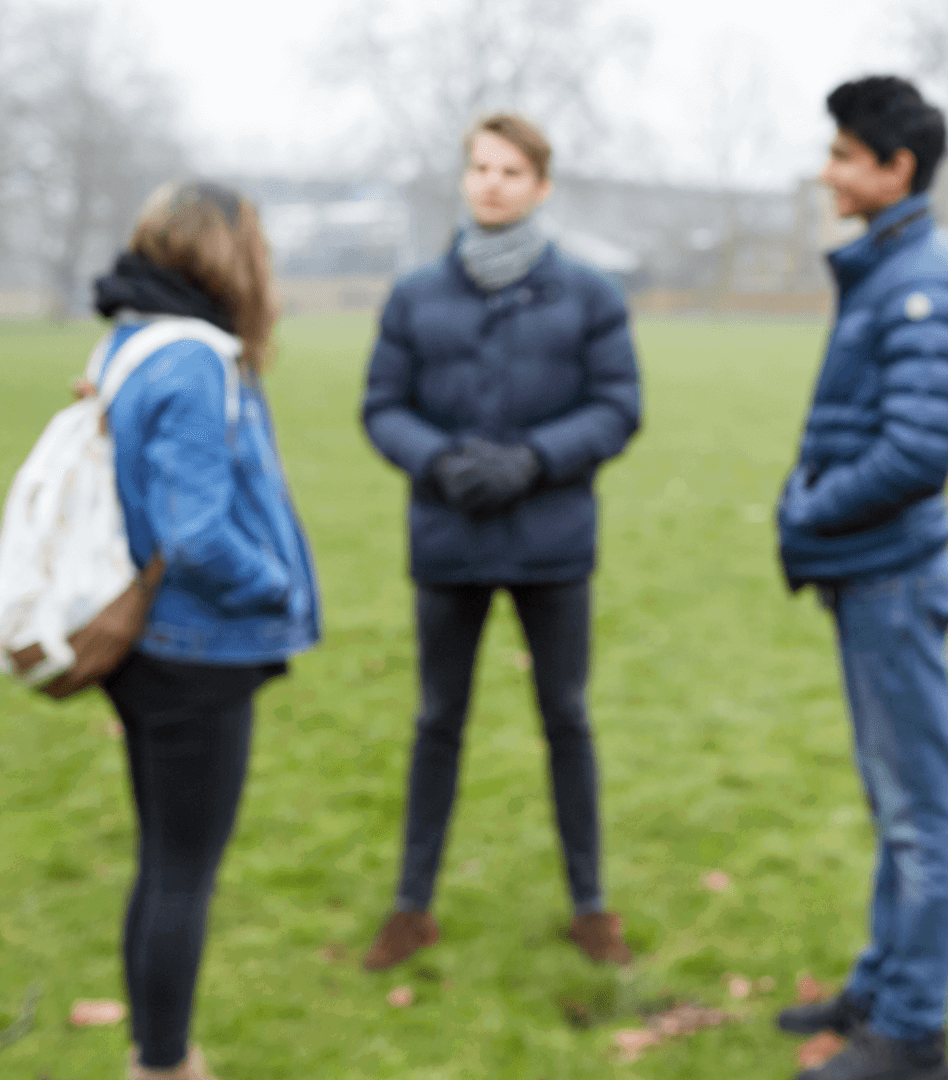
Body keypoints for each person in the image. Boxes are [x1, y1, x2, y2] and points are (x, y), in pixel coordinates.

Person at [360, 113, 641, 971]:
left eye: (511, 171)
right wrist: (439, 461)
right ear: (464, 179)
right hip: (449, 542)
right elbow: (382, 407)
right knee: (438, 720)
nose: (492, 183)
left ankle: (590, 906)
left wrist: (534, 460)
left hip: (551, 542)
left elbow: (617, 406)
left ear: (541, 186)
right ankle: (412, 906)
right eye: (480, 167)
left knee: (568, 720)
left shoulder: (590, 294)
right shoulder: (415, 295)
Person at [774, 76, 948, 1080]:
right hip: (870, 577)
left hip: (893, 577)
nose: (830, 170)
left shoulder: (926, 282)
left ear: (896, 167)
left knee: (919, 814)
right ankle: (878, 987)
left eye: (845, 153)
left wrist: (804, 509)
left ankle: (910, 1033)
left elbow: (913, 452)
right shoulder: (893, 266)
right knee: (893, 803)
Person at [85, 180, 321, 1080]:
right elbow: (195, 535)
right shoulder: (191, 360)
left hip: (149, 650)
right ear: (231, 256)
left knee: (162, 863)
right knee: (183, 871)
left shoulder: (129, 343)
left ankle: (156, 1051)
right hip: (194, 653)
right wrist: (276, 586)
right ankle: (165, 1064)